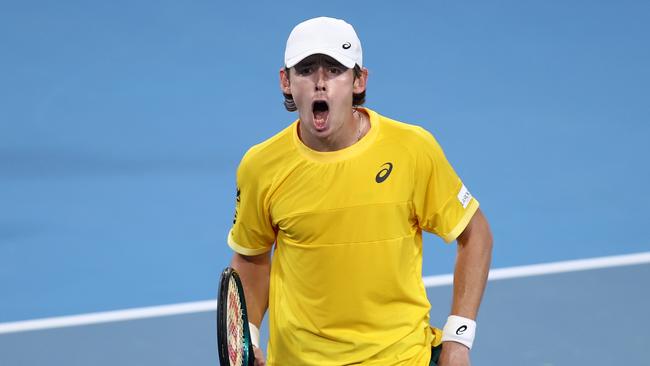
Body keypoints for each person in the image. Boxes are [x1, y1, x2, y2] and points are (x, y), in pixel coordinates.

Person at [227, 16, 493, 366]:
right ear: (286, 82)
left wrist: (459, 337)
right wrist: (249, 337)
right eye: (306, 70)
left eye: (335, 70)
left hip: (401, 359)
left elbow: (475, 234)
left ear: (358, 80)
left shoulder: (411, 150)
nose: (320, 83)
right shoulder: (261, 166)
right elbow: (252, 257)